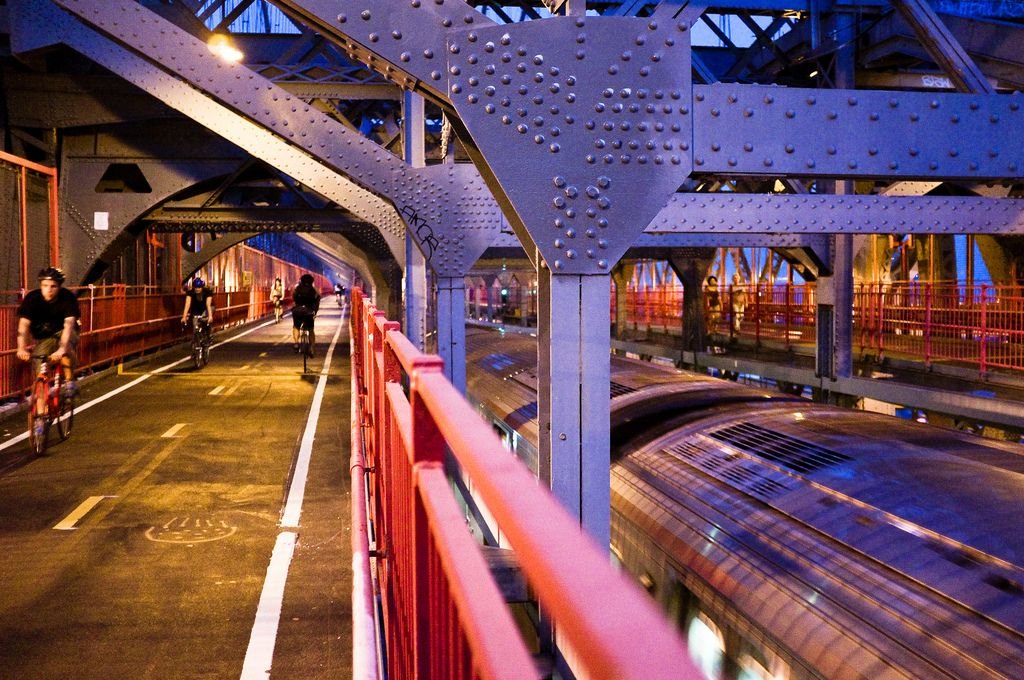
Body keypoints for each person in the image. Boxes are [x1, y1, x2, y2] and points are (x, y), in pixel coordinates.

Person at [16, 266, 81, 396]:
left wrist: (61, 349)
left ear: (59, 287)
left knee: (65, 348)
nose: (49, 290)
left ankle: (70, 382)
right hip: (45, 336)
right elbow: (23, 324)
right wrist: (21, 348)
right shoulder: (32, 298)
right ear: (40, 285)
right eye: (45, 285)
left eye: (53, 286)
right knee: (40, 372)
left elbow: (68, 325)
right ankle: (40, 414)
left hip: (65, 330)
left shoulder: (67, 298)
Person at [292, 273, 321, 355]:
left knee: (296, 327)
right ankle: (312, 347)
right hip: (309, 311)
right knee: (311, 329)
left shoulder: (297, 289)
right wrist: (315, 311)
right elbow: (317, 300)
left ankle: (296, 343)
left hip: (298, 311)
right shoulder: (314, 290)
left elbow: (294, 298)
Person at [705, 275, 721, 342]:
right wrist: (707, 303)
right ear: (709, 282)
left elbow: (719, 297)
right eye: (711, 281)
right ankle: (709, 330)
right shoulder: (707, 288)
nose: (713, 281)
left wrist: (721, 304)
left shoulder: (717, 288)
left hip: (716, 303)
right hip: (711, 304)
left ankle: (715, 329)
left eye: (714, 280)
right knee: (710, 317)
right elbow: (707, 296)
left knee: (717, 317)